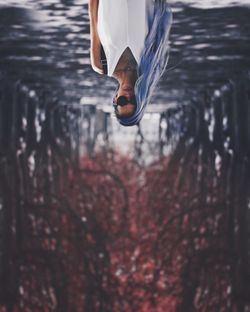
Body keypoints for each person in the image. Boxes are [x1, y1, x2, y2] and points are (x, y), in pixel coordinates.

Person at [88, 0, 172, 126]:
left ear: (115, 99)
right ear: (139, 100)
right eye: (133, 100)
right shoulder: (150, 62)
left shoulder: (100, 64)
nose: (127, 95)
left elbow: (93, 19)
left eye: (122, 101)